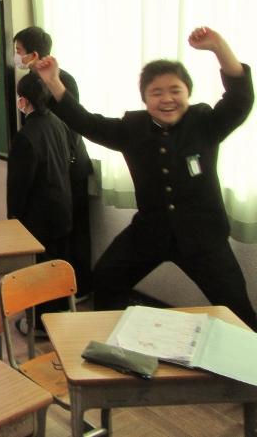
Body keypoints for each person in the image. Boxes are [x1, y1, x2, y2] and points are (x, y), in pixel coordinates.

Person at [35, 26, 257, 330]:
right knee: (106, 278)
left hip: (204, 237)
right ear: (145, 98)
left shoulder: (204, 122)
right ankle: (118, 344)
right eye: (157, 92)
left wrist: (218, 47)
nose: (167, 99)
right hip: (150, 231)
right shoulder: (133, 127)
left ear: (188, 93)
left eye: (175, 90)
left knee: (237, 308)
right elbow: (86, 122)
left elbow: (239, 99)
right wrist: (53, 81)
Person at [13, 26, 94, 298]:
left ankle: (79, 287)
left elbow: (73, 124)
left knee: (75, 230)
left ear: (34, 54)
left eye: (19, 51)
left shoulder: (62, 80)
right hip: (49, 167)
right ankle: (52, 291)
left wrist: (60, 161)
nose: (16, 56)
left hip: (69, 165)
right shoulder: (28, 82)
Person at [7, 73, 73, 336]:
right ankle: (59, 318)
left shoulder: (26, 136)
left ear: (24, 100)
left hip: (38, 215)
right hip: (62, 207)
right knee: (57, 265)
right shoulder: (58, 122)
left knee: (40, 270)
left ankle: (40, 325)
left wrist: (14, 219)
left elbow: (18, 186)